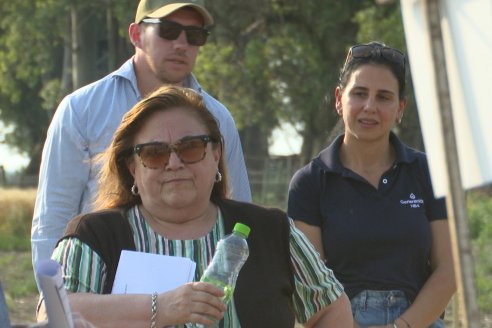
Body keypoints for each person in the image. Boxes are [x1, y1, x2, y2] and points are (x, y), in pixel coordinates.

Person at [38, 85, 353, 328]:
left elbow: (331, 306)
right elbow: (52, 313)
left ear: (216, 154)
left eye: (190, 148)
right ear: (133, 167)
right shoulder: (95, 234)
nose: (174, 163)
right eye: (154, 153)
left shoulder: (272, 230)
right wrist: (162, 307)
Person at [31, 0, 252, 275]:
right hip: (101, 287)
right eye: (168, 31)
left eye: (195, 35)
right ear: (136, 35)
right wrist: (56, 304)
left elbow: (238, 211)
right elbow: (53, 220)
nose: (182, 44)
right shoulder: (82, 109)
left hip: (201, 294)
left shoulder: (219, 118)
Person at [287, 42, 456, 328]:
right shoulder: (309, 183)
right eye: (360, 94)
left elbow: (449, 270)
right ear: (339, 99)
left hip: (419, 321)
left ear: (400, 107)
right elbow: (310, 286)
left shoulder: (428, 172)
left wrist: (401, 326)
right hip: (341, 322)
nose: (370, 107)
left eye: (384, 97)